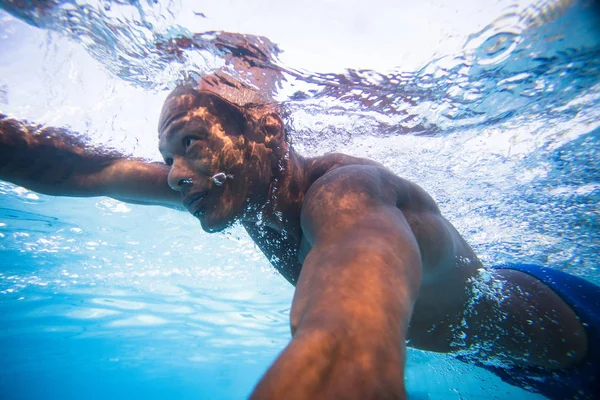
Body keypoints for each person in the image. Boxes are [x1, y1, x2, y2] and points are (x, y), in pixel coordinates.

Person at [1, 70, 599, 400]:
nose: (176, 176)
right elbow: (86, 170)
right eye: (168, 157)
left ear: (263, 135)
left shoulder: (344, 195)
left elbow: (347, 337)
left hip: (580, 333)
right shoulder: (231, 186)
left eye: (190, 145)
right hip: (516, 362)